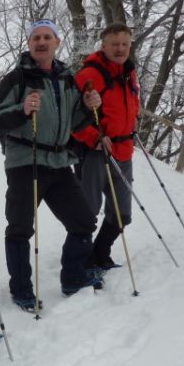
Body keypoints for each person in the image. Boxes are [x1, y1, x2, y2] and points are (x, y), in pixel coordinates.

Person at [0, 19, 104, 311]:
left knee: (84, 221)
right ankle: (21, 289)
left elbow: (75, 122)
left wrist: (89, 108)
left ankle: (73, 277)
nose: (41, 42)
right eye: (36, 37)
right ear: (29, 43)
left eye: (47, 37)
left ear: (57, 42)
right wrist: (22, 110)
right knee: (20, 228)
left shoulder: (66, 79)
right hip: (26, 161)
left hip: (59, 162)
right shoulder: (17, 79)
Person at [72, 22, 140, 270]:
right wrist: (94, 137)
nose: (120, 49)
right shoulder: (89, 75)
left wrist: (134, 120)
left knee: (122, 214)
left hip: (124, 150)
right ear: (104, 45)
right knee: (87, 213)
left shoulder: (128, 71)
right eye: (115, 44)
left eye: (125, 44)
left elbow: (132, 102)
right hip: (94, 153)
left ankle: (100, 253)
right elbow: (71, 118)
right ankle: (81, 262)